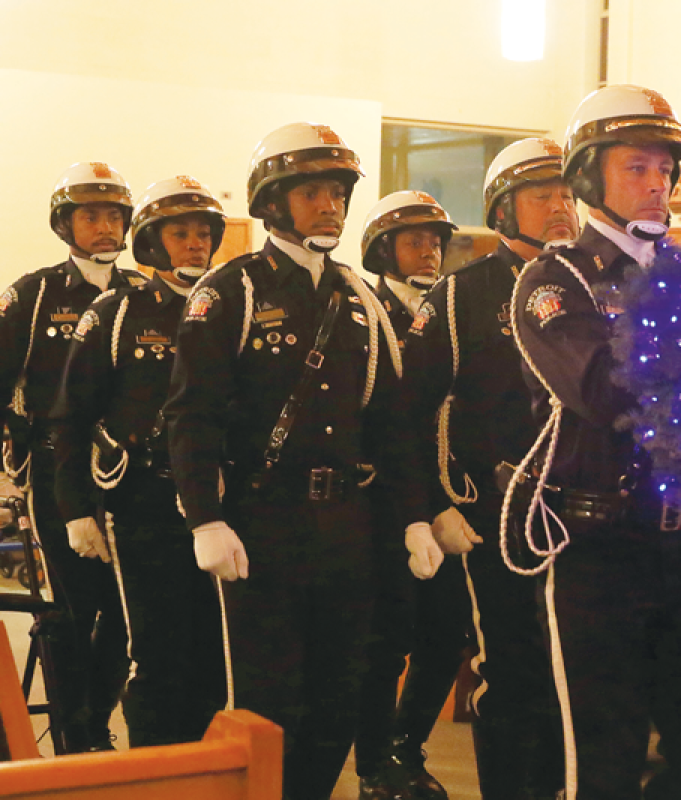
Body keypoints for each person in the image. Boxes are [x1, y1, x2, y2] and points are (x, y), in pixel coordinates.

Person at [163, 122, 420, 800]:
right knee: (266, 698)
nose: (331, 206)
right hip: (262, 523)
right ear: (273, 202)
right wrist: (205, 517)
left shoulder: (360, 297)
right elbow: (191, 414)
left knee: (341, 690)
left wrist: (414, 519)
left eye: (337, 193)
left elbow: (392, 423)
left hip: (348, 526)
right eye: (312, 192)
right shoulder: (231, 291)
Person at [512, 84, 681, 799]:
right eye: (637, 169)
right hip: (603, 552)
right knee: (605, 762)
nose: (659, 187)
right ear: (590, 178)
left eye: (665, 171)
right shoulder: (554, 281)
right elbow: (602, 389)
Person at [399, 137, 577, 799]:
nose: (559, 207)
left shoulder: (589, 288)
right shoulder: (458, 296)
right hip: (494, 518)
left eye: (566, 194)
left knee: (574, 671)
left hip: (582, 517)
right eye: (541, 195)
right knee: (512, 672)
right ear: (504, 209)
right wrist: (430, 506)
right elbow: (408, 413)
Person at [52, 176, 227, 747]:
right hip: (141, 505)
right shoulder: (115, 314)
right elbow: (71, 419)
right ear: (152, 241)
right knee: (153, 653)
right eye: (180, 234)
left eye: (204, 233)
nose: (196, 244)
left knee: (212, 658)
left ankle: (200, 772)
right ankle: (154, 770)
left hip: (220, 506)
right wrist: (77, 510)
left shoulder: (229, 307)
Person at [0, 161, 145, 753]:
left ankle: (93, 723)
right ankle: (70, 738)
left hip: (127, 480)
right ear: (65, 224)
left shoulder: (142, 293)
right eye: (91, 215)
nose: (105, 227)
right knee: (70, 610)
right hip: (55, 475)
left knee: (122, 611)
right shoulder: (32, 294)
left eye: (114, 215)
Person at [354, 189, 471, 800]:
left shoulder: (452, 308)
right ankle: (374, 763)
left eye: (434, 241)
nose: (428, 252)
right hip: (382, 503)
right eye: (413, 241)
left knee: (447, 634)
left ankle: (408, 744)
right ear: (382, 249)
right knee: (385, 639)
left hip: (447, 498)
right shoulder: (363, 309)